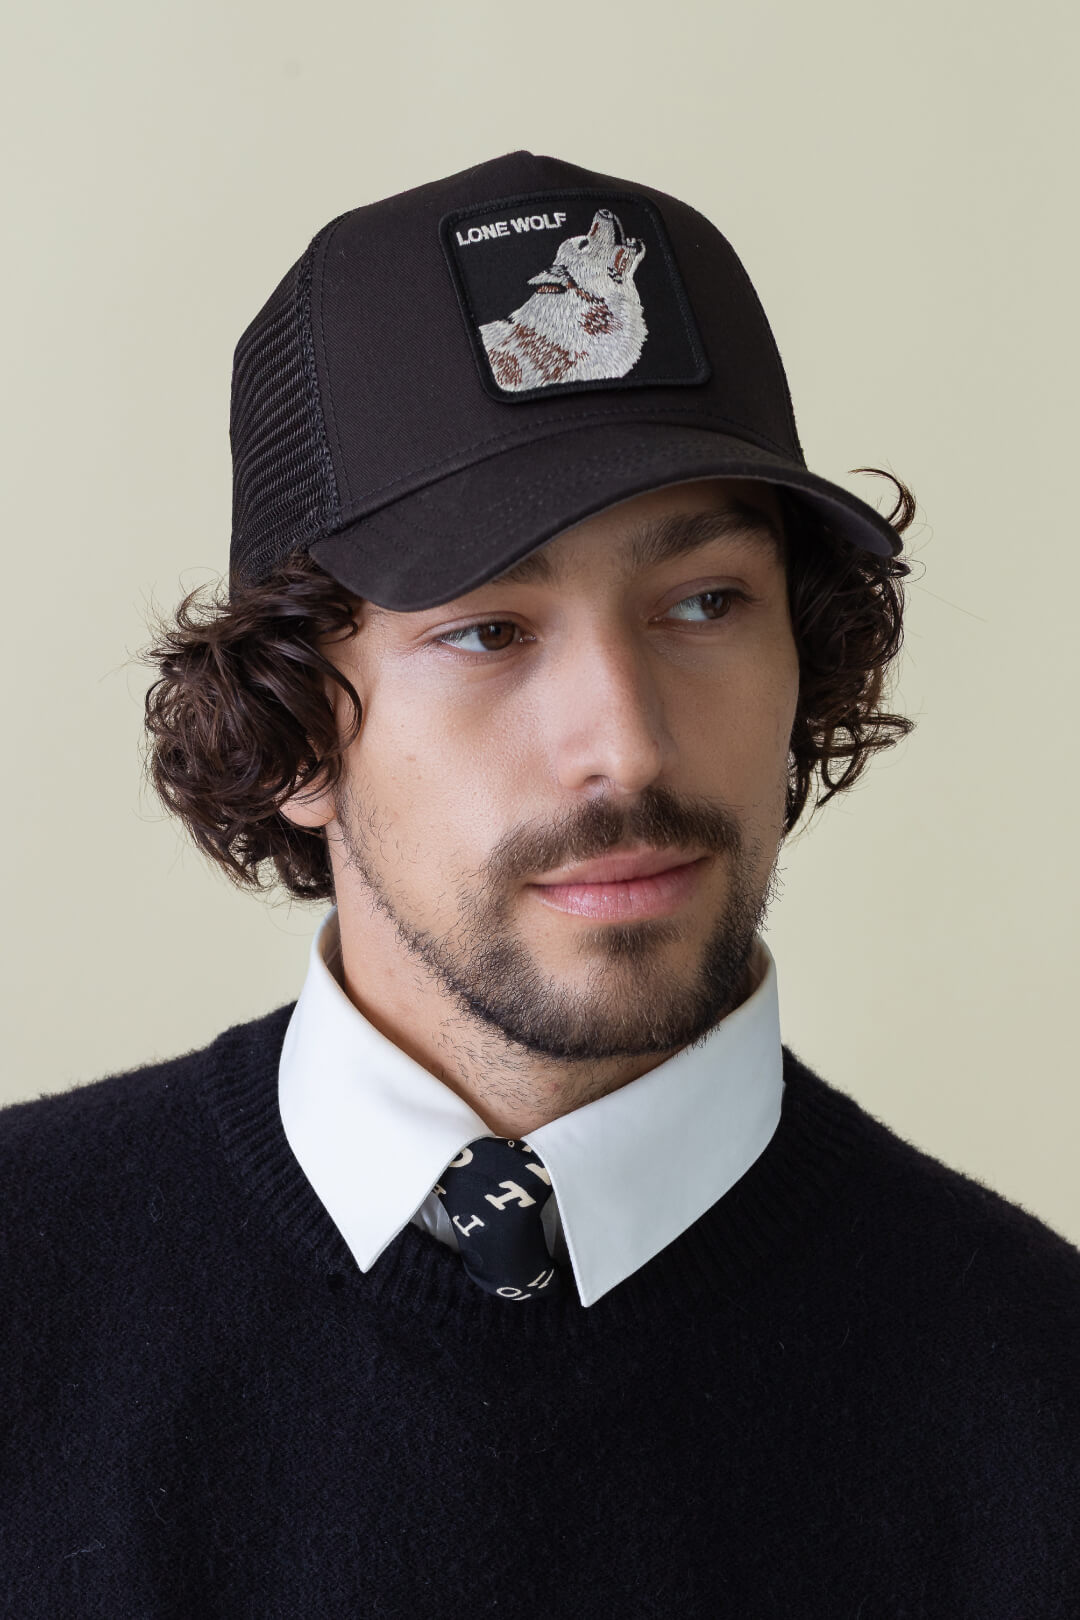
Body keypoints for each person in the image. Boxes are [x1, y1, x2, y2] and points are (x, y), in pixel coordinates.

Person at [3, 149, 1077, 1616]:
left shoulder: (1040, 1397)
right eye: (488, 631)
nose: (626, 746)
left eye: (705, 603)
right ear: (291, 728)